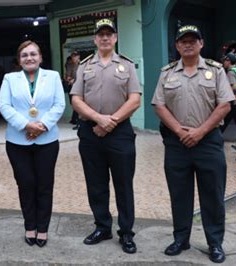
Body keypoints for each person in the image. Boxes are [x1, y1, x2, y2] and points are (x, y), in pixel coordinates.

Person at [151, 25, 234, 263]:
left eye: (192, 40)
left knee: (213, 195)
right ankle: (181, 239)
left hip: (208, 142)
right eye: (183, 41)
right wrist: (179, 130)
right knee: (179, 194)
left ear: (201, 43)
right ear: (177, 46)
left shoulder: (216, 71)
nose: (188, 44)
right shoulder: (167, 73)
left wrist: (200, 131)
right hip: (177, 144)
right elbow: (159, 105)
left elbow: (225, 104)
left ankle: (215, 243)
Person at [70, 18, 141, 254]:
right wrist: (98, 119)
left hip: (120, 132)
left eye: (109, 34)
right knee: (96, 184)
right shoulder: (85, 66)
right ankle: (102, 227)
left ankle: (126, 233)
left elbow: (135, 99)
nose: (105, 38)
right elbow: (76, 99)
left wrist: (110, 122)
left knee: (124, 184)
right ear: (95, 39)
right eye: (100, 34)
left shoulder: (128, 66)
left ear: (115, 38)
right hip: (91, 132)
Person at [0, 40, 65, 248]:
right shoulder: (10, 78)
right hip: (18, 141)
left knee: (45, 185)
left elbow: (59, 104)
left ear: (40, 57)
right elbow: (4, 106)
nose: (29, 58)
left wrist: (42, 126)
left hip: (47, 140)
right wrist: (27, 125)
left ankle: (43, 228)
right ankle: (30, 225)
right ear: (19, 60)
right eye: (25, 55)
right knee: (26, 184)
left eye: (33, 54)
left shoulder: (53, 76)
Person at [64, 51, 81, 129]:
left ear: (78, 57)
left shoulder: (82, 65)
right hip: (71, 87)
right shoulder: (70, 65)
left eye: (76, 56)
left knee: (78, 103)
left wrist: (75, 80)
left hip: (80, 87)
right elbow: (67, 75)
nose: (74, 58)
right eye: (73, 56)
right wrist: (68, 79)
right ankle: (75, 120)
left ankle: (78, 122)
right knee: (73, 104)